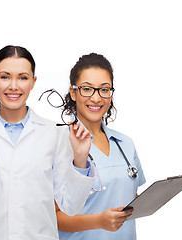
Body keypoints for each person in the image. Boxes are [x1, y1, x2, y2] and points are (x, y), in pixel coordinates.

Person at [0, 45, 95, 240]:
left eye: (23, 78)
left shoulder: (53, 134)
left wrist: (80, 159)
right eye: (5, 77)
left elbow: (71, 206)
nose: (13, 86)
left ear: (33, 82)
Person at [56, 53, 146, 240]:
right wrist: (98, 221)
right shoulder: (57, 143)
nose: (96, 98)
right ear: (73, 93)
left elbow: (128, 195)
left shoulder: (125, 143)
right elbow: (53, 215)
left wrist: (156, 197)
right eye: (87, 89)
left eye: (104, 90)